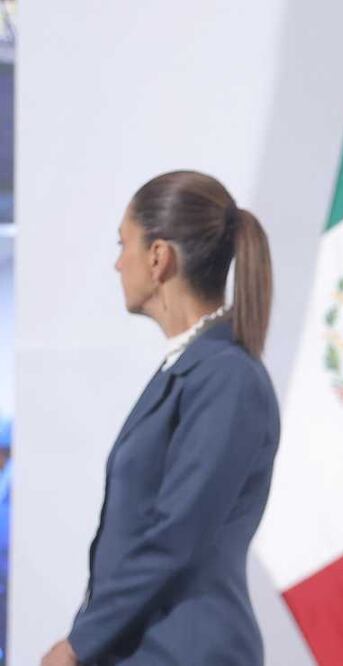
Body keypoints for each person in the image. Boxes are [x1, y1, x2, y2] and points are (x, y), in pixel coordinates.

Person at [41, 171, 279, 666]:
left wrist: (79, 644)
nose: (116, 262)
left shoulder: (226, 376)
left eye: (122, 242)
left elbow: (177, 535)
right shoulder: (192, 368)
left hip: (186, 651)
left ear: (158, 256)